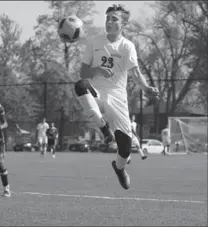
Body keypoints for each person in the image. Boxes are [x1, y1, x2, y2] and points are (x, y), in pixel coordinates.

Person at [74, 4, 159, 189]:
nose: (109, 21)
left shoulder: (127, 46)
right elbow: (83, 72)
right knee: (80, 85)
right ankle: (104, 129)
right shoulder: (94, 42)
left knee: (125, 150)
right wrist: (96, 69)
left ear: (124, 25)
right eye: (107, 18)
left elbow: (136, 73)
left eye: (114, 19)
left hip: (117, 98)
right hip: (96, 93)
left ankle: (119, 168)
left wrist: (146, 88)